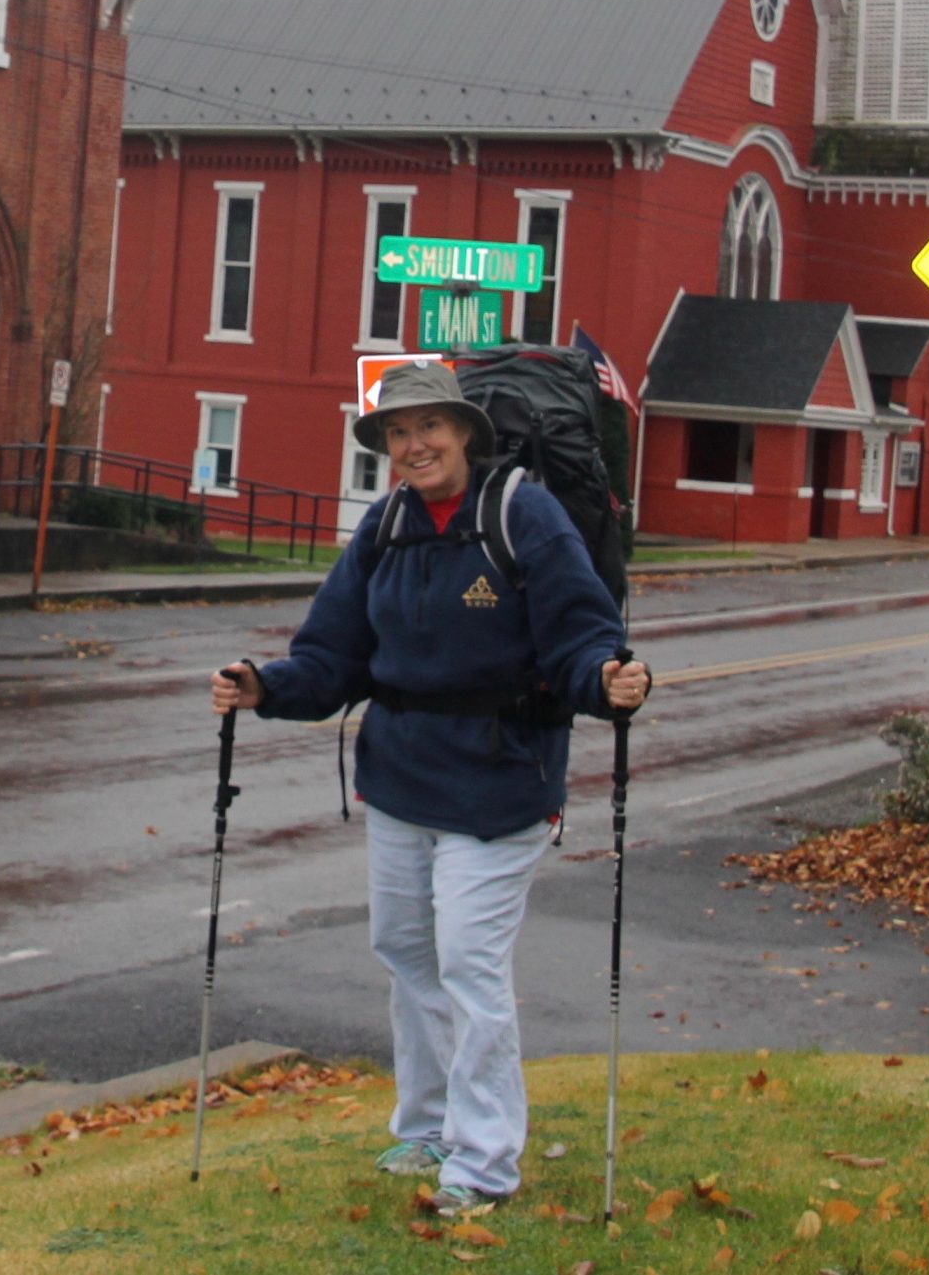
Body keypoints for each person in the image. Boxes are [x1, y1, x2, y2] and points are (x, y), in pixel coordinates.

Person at [209, 359, 650, 1213]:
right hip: (402, 779)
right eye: (396, 434)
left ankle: (482, 1163)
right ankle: (428, 1125)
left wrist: (608, 677)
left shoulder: (523, 513)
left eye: (428, 429)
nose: (413, 446)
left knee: (468, 961)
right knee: (409, 952)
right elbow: (333, 653)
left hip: (499, 781)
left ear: (464, 432)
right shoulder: (386, 526)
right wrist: (266, 685)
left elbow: (582, 634)